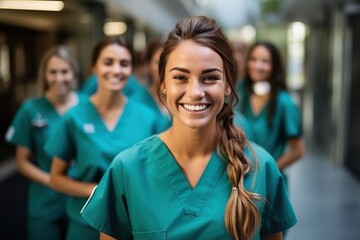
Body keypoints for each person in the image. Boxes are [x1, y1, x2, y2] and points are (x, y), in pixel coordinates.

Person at [80, 16, 297, 240]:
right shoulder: (128, 169)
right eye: (181, 77)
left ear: (228, 86)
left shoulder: (261, 168)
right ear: (163, 85)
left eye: (210, 77)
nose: (195, 91)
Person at [45, 36, 159, 240]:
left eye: (124, 64)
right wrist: (96, 190)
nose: (116, 70)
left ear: (131, 70)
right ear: (94, 68)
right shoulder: (74, 118)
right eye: (108, 62)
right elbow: (55, 178)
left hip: (133, 226)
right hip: (85, 225)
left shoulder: (147, 118)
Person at [5, 45, 84, 240]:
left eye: (64, 71)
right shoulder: (30, 109)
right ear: (44, 75)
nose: (59, 78)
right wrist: (54, 180)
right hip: (46, 200)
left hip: (82, 197)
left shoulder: (88, 106)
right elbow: (22, 162)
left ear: (73, 72)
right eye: (53, 72)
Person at [237, 41, 304, 180]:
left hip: (269, 181)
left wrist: (268, 172)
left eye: (265, 61)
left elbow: (297, 151)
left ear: (275, 67)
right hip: (241, 179)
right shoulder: (242, 93)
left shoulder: (284, 102)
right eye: (253, 59)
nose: (258, 66)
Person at [132, 38, 172, 133]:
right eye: (158, 63)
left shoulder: (184, 99)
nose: (163, 68)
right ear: (148, 65)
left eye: (168, 62)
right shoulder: (137, 102)